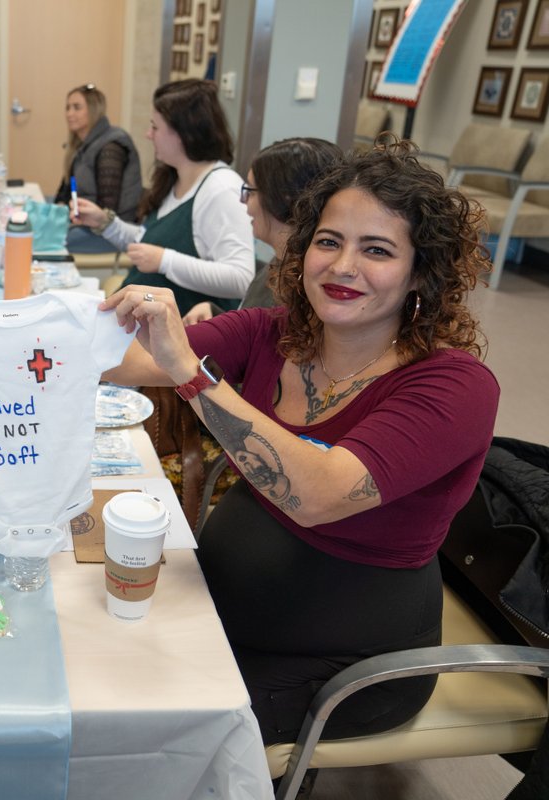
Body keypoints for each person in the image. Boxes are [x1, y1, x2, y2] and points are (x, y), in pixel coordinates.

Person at [100, 138, 497, 745]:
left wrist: (190, 371)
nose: (342, 267)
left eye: (377, 250)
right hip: (222, 611)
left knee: (132, 728)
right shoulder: (273, 332)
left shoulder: (453, 387)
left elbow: (317, 493)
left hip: (343, 667)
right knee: (94, 668)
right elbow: (122, 360)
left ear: (422, 271)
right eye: (329, 241)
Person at [72, 79, 253, 316]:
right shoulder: (175, 178)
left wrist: (165, 261)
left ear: (183, 133)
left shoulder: (221, 189)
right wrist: (104, 223)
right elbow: (147, 243)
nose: (148, 135)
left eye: (155, 127)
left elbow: (241, 278)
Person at [182, 137, 344, 325]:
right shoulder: (278, 265)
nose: (243, 201)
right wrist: (216, 315)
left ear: (284, 199)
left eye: (250, 191)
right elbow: (256, 331)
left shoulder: (303, 291)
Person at [52, 84, 142, 254]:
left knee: (44, 241)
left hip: (106, 231)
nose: (69, 114)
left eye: (77, 108)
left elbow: (108, 210)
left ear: (94, 110)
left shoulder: (111, 147)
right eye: (67, 108)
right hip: (83, 217)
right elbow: (63, 192)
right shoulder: (81, 146)